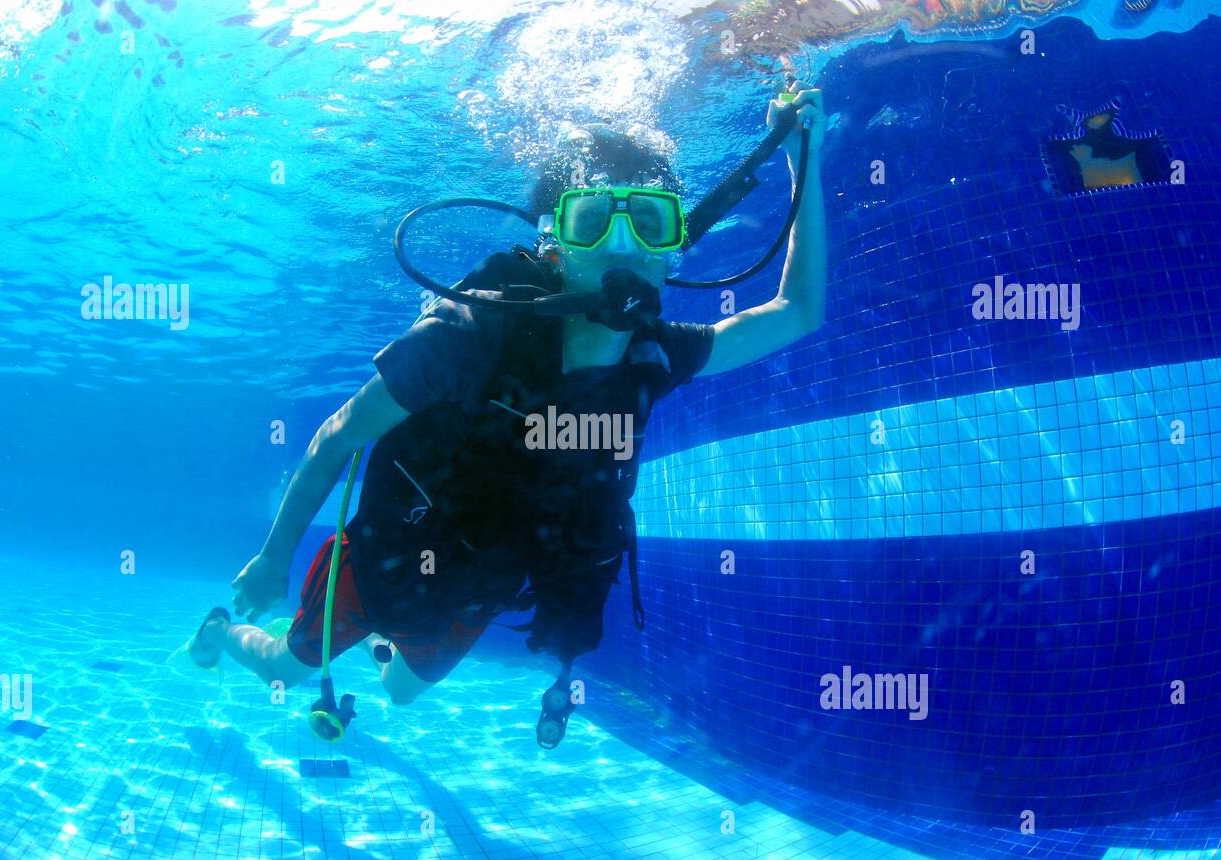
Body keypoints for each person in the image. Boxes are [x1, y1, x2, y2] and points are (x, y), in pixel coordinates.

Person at [191, 81, 828, 725]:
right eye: (592, 221)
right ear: (555, 243)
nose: (623, 248)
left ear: (673, 246)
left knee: (401, 691)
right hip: (386, 557)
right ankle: (221, 634)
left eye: (650, 223)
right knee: (283, 668)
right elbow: (339, 435)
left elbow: (798, 310)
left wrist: (804, 160)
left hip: (479, 586)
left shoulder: (655, 356)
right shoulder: (473, 337)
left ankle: (391, 646)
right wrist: (274, 557)